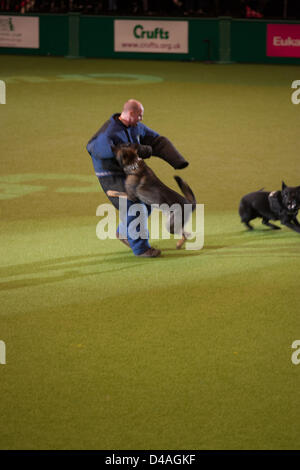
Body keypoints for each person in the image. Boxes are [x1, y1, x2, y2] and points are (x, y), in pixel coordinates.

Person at [86, 99, 189, 257]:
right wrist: (130, 148)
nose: (141, 119)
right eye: (139, 115)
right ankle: (141, 248)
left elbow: (156, 141)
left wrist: (177, 160)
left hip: (130, 172)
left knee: (146, 205)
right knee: (134, 207)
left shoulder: (136, 127)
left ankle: (124, 231)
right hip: (110, 176)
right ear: (131, 113)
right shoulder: (108, 132)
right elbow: (93, 148)